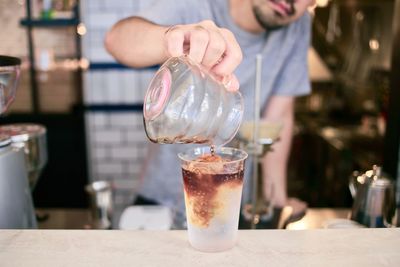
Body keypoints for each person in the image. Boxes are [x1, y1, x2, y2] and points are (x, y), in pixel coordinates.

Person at [105, 0, 315, 227]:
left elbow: (277, 119)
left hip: (229, 202)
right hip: (161, 199)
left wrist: (277, 202)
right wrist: (172, 39)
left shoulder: (297, 26)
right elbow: (116, 40)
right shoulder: (199, 5)